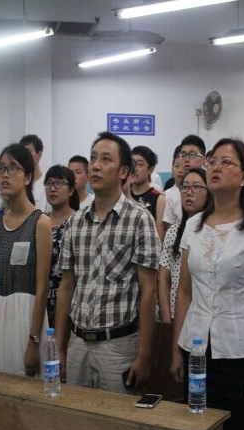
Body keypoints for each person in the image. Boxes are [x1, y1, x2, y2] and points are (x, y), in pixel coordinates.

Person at [171, 138, 244, 430]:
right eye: (212, 161)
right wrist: (176, 349)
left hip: (239, 353)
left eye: (226, 162)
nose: (216, 167)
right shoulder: (193, 225)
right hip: (196, 350)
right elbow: (184, 292)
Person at [55, 131, 160, 394]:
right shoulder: (75, 222)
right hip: (77, 342)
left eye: (105, 159)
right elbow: (66, 287)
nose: (96, 166)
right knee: (75, 416)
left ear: (123, 171)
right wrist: (60, 347)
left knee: (117, 419)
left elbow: (149, 291)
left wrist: (145, 354)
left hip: (119, 346)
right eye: (93, 159)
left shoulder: (140, 219)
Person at [0, 143, 52, 377]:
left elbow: (42, 289)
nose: (5, 174)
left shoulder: (40, 223)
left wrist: (34, 341)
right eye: (1, 168)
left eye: (13, 168)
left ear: (28, 177)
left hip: (27, 317)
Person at [158, 168, 212, 323]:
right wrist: (167, 319)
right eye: (185, 187)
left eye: (196, 187)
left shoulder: (214, 233)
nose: (189, 192)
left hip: (204, 317)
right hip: (175, 315)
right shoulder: (173, 232)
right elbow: (164, 279)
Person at [45, 165, 79, 328]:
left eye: (59, 183)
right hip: (40, 300)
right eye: (49, 183)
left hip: (69, 300)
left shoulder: (78, 220)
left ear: (71, 190)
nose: (53, 188)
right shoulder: (39, 220)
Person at [163, 136, 206, 231]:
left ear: (204, 159)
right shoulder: (173, 194)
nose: (186, 159)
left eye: (192, 154)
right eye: (183, 154)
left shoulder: (212, 187)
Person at [131, 145, 165, 238]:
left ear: (150, 169)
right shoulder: (123, 194)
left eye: (140, 164)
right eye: (132, 164)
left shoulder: (159, 199)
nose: (135, 168)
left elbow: (159, 237)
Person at [20, 134, 47, 211]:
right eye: (22, 152)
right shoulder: (18, 183)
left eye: (28, 151)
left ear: (39, 155)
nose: (24, 156)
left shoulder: (47, 184)